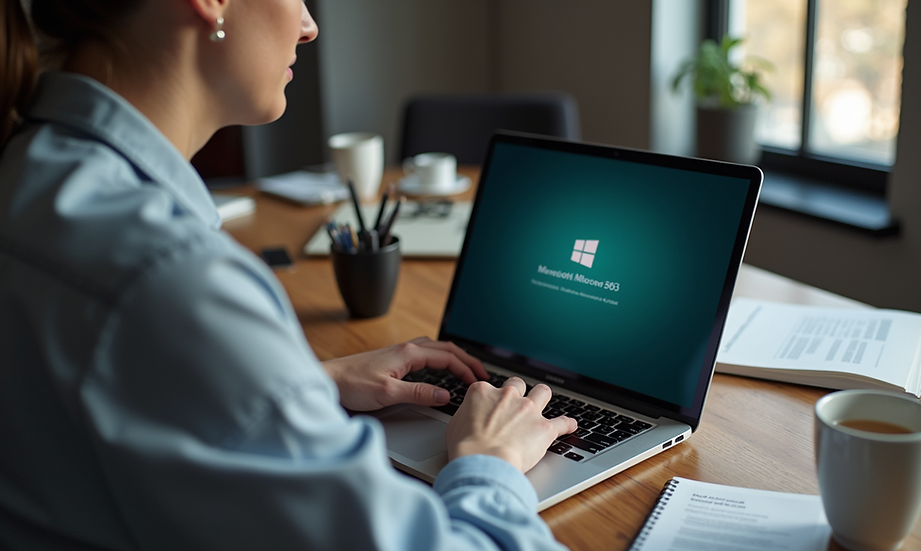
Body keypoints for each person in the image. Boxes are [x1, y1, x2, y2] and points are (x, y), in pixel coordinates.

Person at [0, 0, 577, 549]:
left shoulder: (28, 172)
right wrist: (488, 460)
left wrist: (301, 385)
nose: (308, 26)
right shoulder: (172, 281)